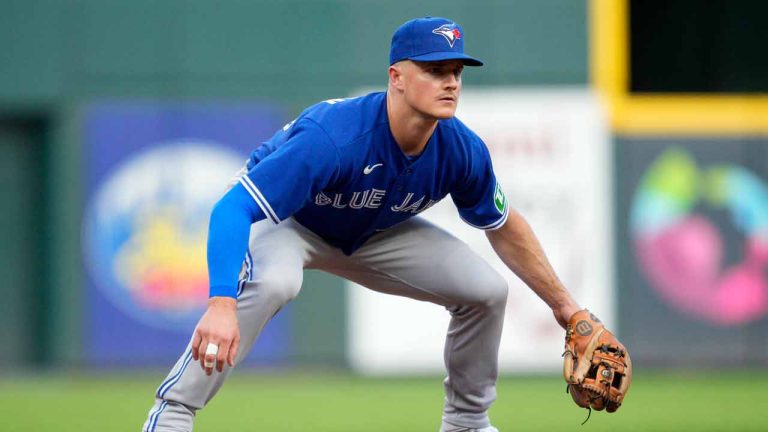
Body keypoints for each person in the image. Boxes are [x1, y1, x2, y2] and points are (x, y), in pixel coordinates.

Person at [142, 16, 580, 432]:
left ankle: (467, 423)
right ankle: (174, 410)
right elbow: (231, 209)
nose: (449, 81)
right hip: (293, 224)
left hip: (373, 233)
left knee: (486, 292)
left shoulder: (462, 150)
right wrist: (220, 304)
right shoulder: (334, 136)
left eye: (456, 71)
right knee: (275, 283)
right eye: (433, 69)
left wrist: (567, 308)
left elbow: (502, 225)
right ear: (396, 77)